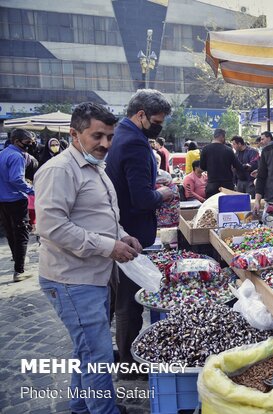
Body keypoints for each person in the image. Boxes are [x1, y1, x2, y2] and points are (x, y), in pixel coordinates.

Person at [35, 102, 141, 414]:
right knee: (97, 354)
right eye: (98, 136)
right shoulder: (58, 170)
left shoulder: (95, 167)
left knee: (87, 349)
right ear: (74, 134)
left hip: (94, 276)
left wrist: (121, 235)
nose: (105, 144)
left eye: (109, 136)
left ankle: (81, 407)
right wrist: (108, 247)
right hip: (71, 279)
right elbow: (53, 227)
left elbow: (100, 217)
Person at [105, 89, 174, 376]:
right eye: (157, 120)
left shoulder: (123, 133)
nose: (159, 126)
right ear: (141, 114)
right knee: (128, 303)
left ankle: (123, 356)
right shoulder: (134, 141)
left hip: (123, 226)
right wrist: (164, 192)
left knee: (122, 300)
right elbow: (141, 198)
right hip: (129, 231)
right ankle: (129, 364)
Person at [0, 129, 36, 282]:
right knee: (22, 234)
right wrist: (32, 191)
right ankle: (19, 271)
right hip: (16, 200)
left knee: (10, 231)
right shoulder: (17, 156)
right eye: (28, 142)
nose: (30, 145)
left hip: (3, 200)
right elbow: (16, 179)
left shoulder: (3, 153)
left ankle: (17, 259)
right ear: (16, 141)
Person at [200, 128, 247, 199]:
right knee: (227, 208)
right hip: (227, 185)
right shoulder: (228, 150)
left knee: (213, 208)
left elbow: (202, 167)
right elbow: (238, 166)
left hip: (212, 184)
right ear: (221, 136)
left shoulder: (205, 149)